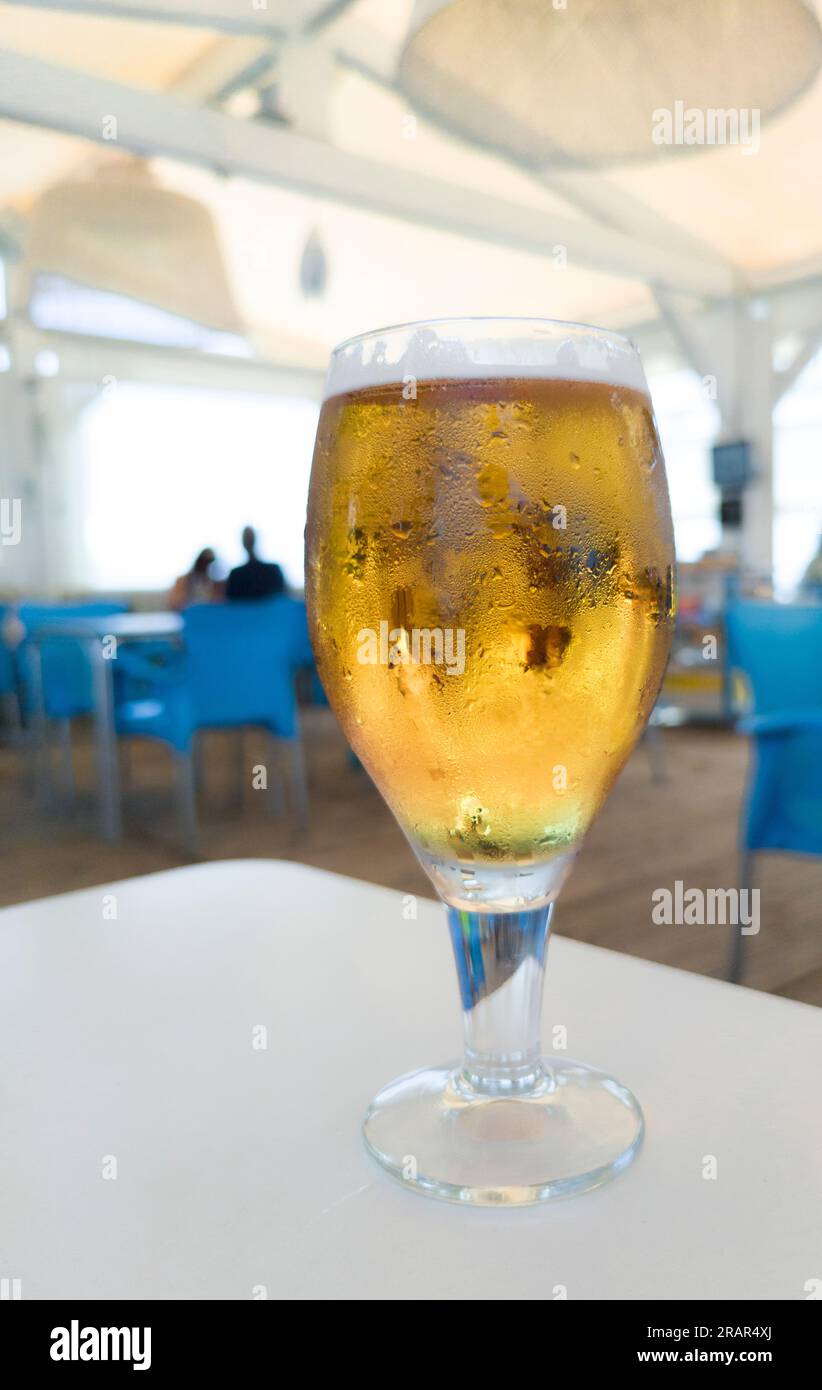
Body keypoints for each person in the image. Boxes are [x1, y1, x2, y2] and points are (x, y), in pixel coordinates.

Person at [225, 526, 285, 601]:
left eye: (250, 538)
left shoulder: (273, 570)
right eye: (247, 538)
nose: (249, 540)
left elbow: (281, 598)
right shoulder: (235, 575)